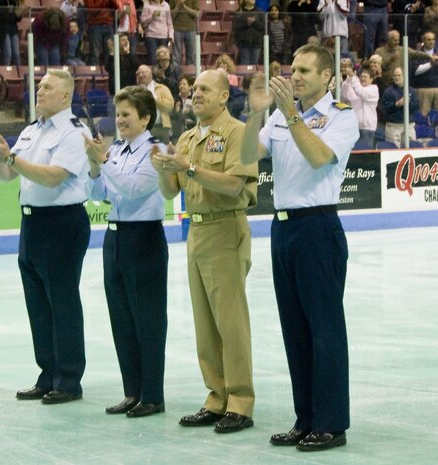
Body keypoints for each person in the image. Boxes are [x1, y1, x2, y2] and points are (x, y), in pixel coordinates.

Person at [241, 43, 359, 451]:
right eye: (294, 69)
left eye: (306, 70)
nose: (296, 76)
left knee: (324, 329)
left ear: (327, 77)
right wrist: (258, 110)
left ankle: (331, 423)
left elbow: (319, 157)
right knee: (295, 329)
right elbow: (245, 155)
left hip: (318, 228)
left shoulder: (340, 118)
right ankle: (305, 418)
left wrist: (289, 114)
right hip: (283, 228)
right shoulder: (277, 115)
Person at [151, 69, 258, 434]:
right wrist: (164, 169)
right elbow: (170, 192)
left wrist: (190, 168)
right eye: (194, 89)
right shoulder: (186, 138)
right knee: (205, 325)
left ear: (224, 97)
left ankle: (240, 401)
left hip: (226, 227)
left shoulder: (238, 133)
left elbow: (233, 186)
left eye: (205, 89)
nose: (196, 94)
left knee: (231, 322)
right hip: (195, 231)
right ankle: (217, 397)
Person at [0, 69, 92, 405]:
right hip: (32, 225)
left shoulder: (74, 133)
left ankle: (69, 379)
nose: (39, 91)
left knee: (62, 301)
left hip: (62, 224)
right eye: (39, 86)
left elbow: (53, 178)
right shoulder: (31, 130)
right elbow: (9, 174)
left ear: (65, 96)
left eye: (47, 87)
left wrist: (11, 158)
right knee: (38, 304)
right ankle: (48, 374)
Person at [84, 85, 169, 418]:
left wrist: (103, 160)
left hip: (144, 238)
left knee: (147, 319)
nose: (119, 121)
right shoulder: (116, 149)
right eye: (117, 114)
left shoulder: (156, 150)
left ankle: (153, 394)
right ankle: (132, 391)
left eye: (127, 115)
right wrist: (94, 166)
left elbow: (134, 189)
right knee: (122, 319)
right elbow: (97, 194)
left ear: (145, 118)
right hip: (114, 238)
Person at [341, 66, 379, 148]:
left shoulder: (373, 89)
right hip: (354, 127)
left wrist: (353, 77)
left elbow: (361, 92)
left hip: (367, 128)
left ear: (371, 79)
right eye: (361, 77)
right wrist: (348, 80)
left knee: (366, 155)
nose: (363, 78)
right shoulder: (356, 88)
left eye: (365, 77)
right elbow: (344, 95)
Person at [382, 66, 420, 147]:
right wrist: (397, 104)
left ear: (404, 76)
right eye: (395, 75)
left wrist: (408, 103)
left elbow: (416, 106)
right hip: (393, 126)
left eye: (398, 75)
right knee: (393, 151)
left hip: (409, 125)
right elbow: (385, 109)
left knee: (411, 149)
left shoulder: (412, 91)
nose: (396, 77)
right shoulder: (388, 92)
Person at [136, 64, 174, 143]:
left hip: (162, 128)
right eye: (138, 73)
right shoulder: (135, 91)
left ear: (150, 73)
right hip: (144, 128)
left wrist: (154, 100)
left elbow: (170, 106)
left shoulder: (162, 88)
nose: (140, 75)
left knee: (163, 153)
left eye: (143, 72)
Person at [412, 30, 438, 116]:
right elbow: (415, 71)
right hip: (423, 89)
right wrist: (430, 64)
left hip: (437, 88)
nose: (431, 42)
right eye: (429, 40)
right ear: (423, 41)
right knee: (423, 116)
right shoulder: (417, 54)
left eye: (433, 39)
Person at [141, 0, 174, 65]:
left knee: (163, 59)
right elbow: (143, 22)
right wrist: (152, 16)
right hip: (151, 36)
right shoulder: (147, 5)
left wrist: (171, 35)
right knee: (153, 59)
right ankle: (153, 74)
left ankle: (162, 74)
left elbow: (169, 23)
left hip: (164, 36)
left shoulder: (166, 5)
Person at [85, 0, 117, 65]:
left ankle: (108, 72)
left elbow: (116, 8)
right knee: (95, 52)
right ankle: (94, 73)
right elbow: (91, 10)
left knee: (109, 51)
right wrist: (103, 1)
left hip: (108, 24)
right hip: (95, 25)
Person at [233, 0, 264, 66]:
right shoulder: (239, 12)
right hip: (243, 43)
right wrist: (246, 24)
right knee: (244, 63)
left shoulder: (260, 12)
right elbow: (236, 27)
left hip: (256, 43)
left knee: (254, 63)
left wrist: (254, 23)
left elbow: (264, 27)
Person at [0, 0, 24, 66]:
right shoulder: (0, 2)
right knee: (7, 54)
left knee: (16, 55)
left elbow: (18, 18)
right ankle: (5, 74)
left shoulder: (14, 1)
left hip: (13, 28)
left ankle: (17, 74)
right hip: (2, 29)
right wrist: (14, 14)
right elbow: (1, 16)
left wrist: (19, 14)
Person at [169, 0, 199, 66]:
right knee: (176, 56)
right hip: (177, 29)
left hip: (190, 29)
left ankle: (190, 74)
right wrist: (178, 6)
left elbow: (197, 13)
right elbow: (171, 16)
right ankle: (176, 74)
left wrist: (185, 7)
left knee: (190, 56)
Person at [170, 74, 195, 141]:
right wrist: (176, 111)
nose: (181, 86)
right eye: (180, 84)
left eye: (184, 84)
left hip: (192, 131)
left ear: (190, 87)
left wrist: (190, 112)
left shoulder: (194, 99)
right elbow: (171, 118)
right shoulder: (175, 99)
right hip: (178, 132)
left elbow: (197, 117)